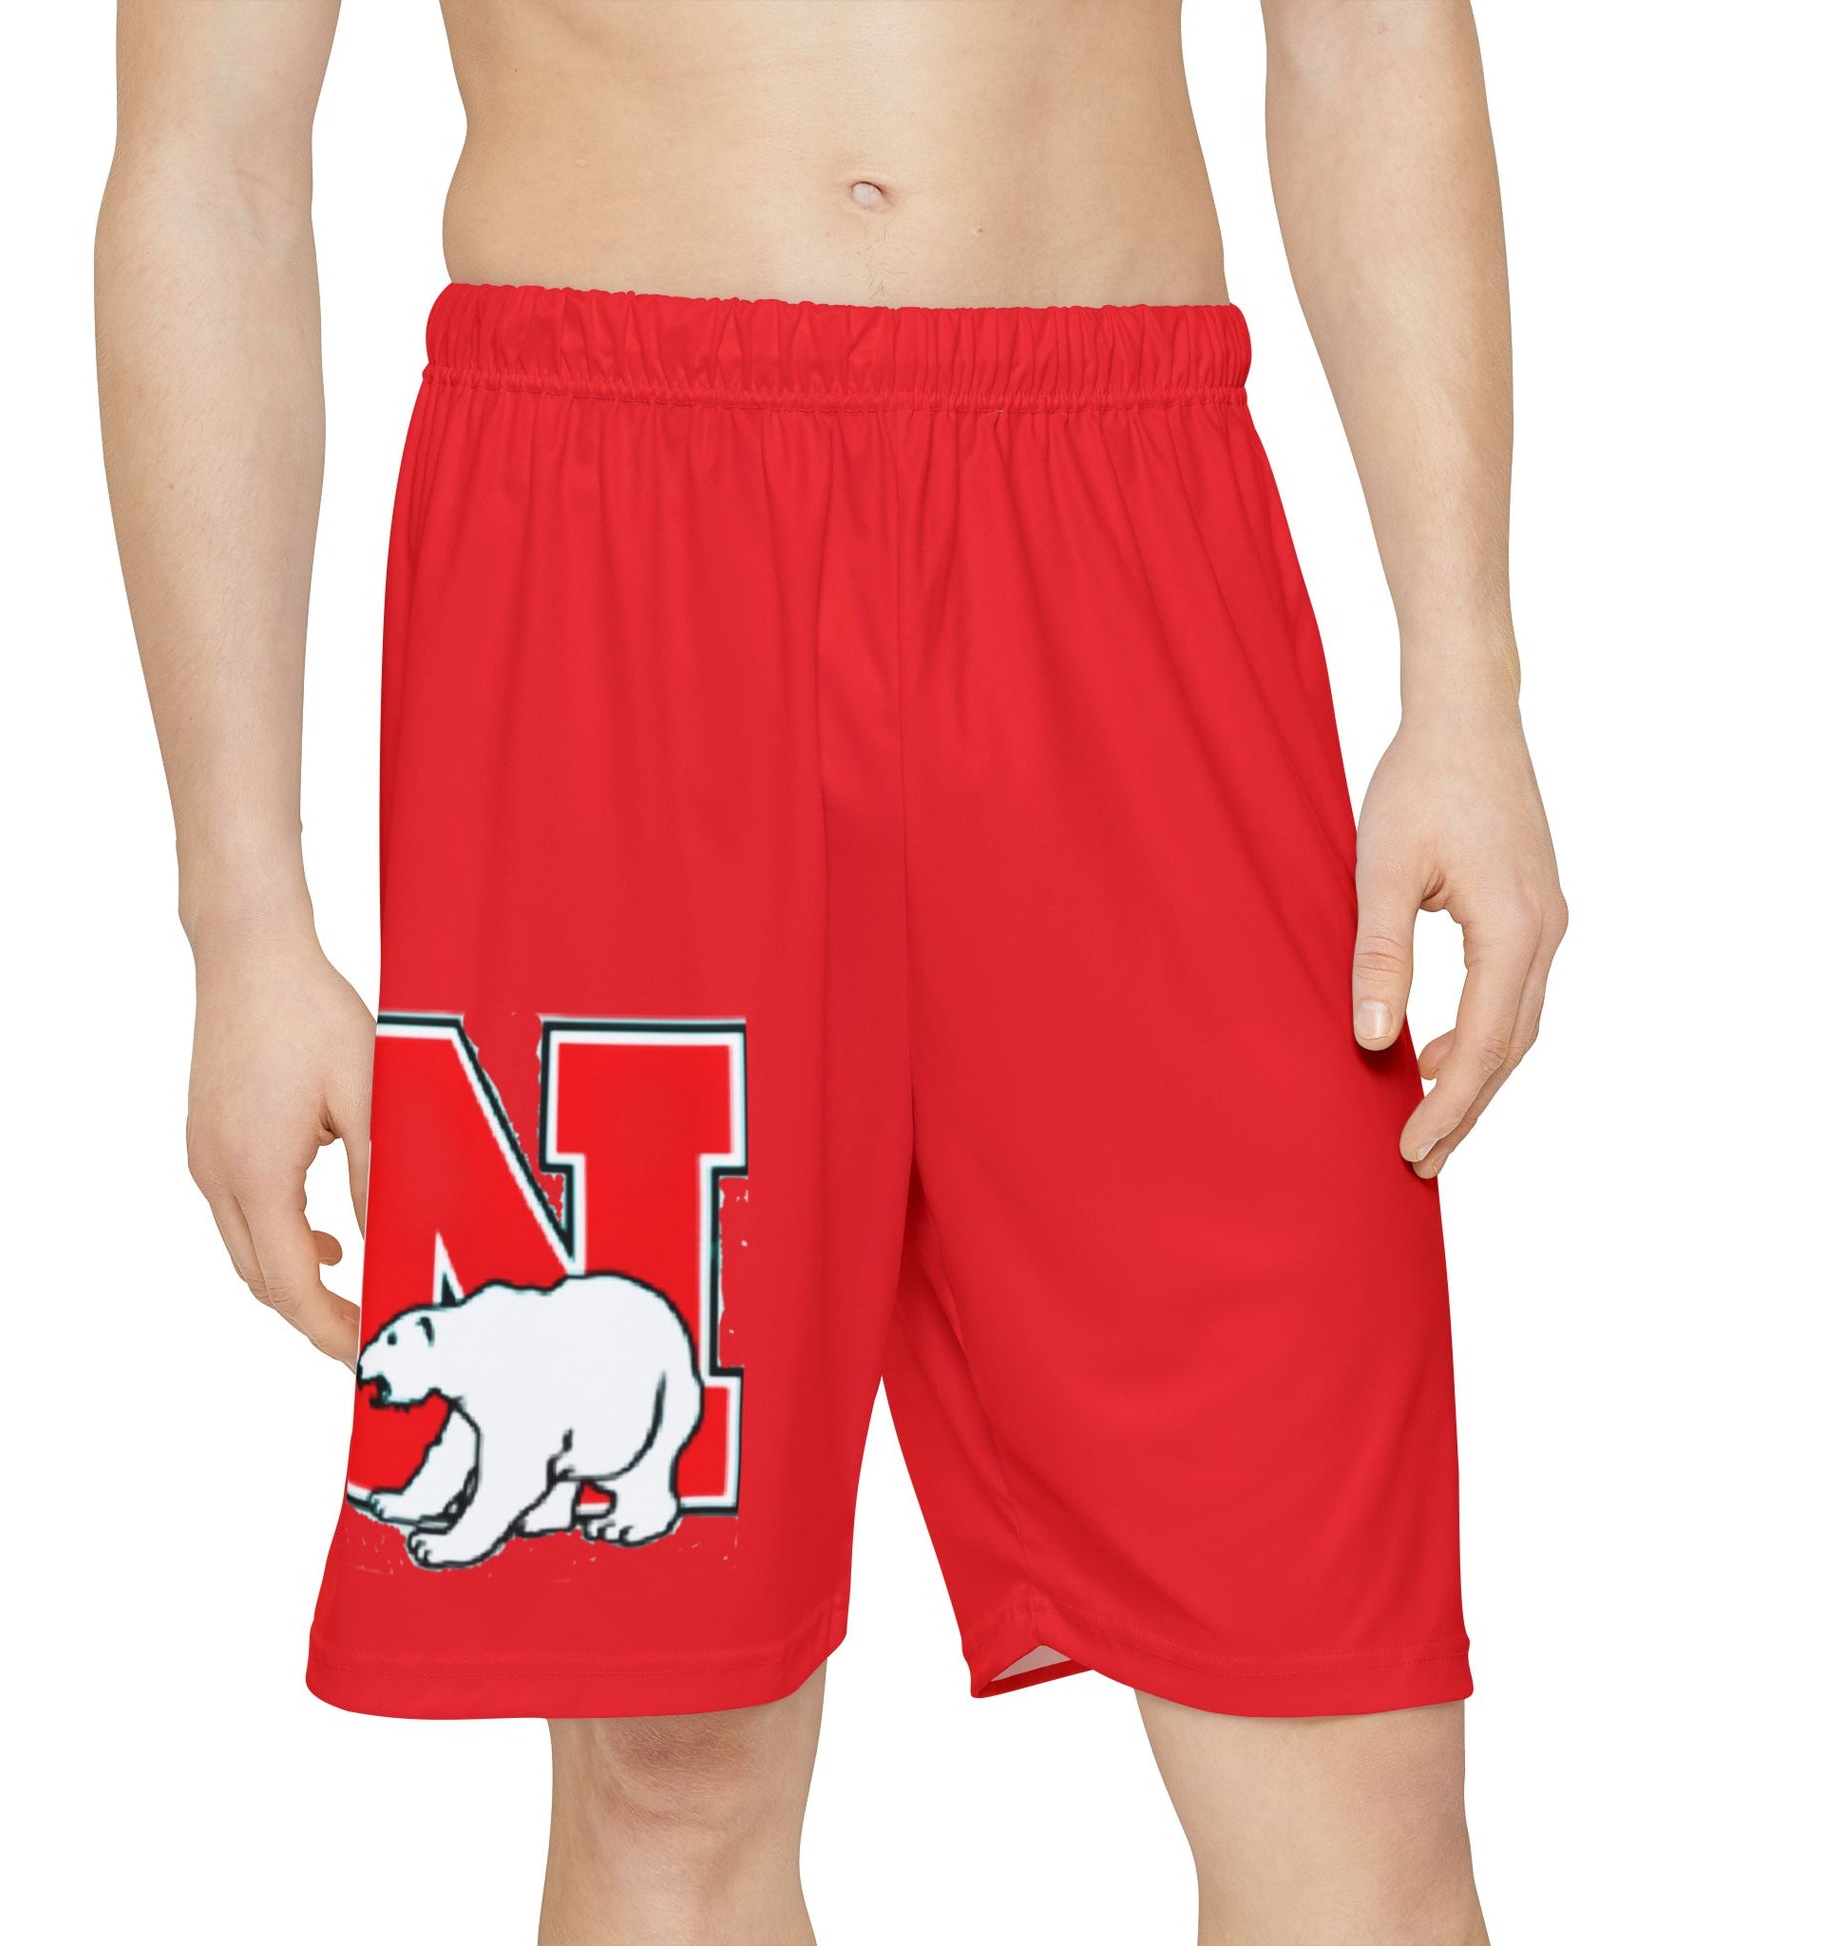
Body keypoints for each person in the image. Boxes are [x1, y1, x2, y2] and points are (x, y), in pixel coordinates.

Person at [96, 2, 1565, 1940]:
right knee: (667, 1754)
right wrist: (241, 918)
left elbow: (1367, 37)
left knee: (1339, 1711)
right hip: (609, 564)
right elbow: (206, 164)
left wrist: (1463, 681)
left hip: (1124, 533)